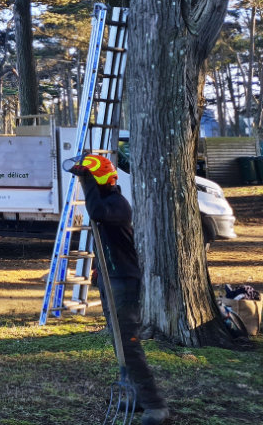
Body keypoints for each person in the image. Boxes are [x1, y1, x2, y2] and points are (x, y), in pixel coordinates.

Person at [70, 153, 170, 425]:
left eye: (88, 178)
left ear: (98, 178)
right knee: (119, 342)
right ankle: (136, 394)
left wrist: (86, 181)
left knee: (129, 344)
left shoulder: (117, 204)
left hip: (124, 281)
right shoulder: (106, 200)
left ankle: (155, 405)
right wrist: (99, 272)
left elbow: (96, 213)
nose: (84, 183)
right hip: (110, 278)